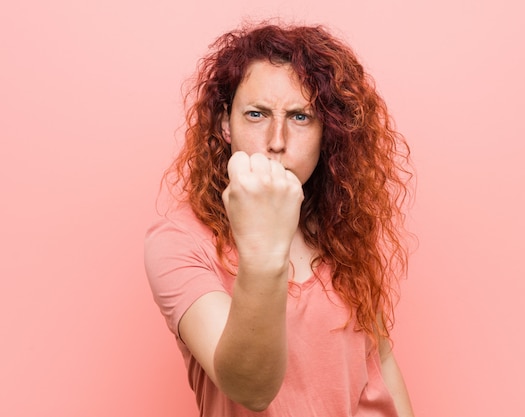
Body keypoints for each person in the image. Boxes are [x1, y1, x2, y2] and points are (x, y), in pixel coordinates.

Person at [145, 21, 415, 416]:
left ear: (329, 132)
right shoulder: (179, 241)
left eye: (300, 117)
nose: (276, 141)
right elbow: (250, 389)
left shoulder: (341, 231)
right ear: (225, 124)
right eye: (256, 114)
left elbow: (381, 363)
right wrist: (264, 246)